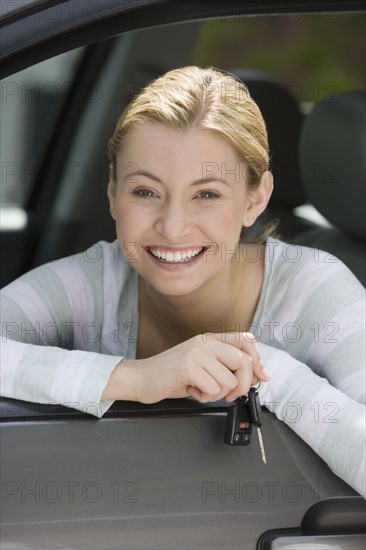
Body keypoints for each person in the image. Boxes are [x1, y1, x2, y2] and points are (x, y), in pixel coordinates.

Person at [1, 66, 365, 497]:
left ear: (256, 198)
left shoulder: (314, 288)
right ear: (113, 192)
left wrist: (270, 374)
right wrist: (136, 378)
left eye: (206, 194)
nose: (173, 228)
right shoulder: (95, 279)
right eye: (146, 192)